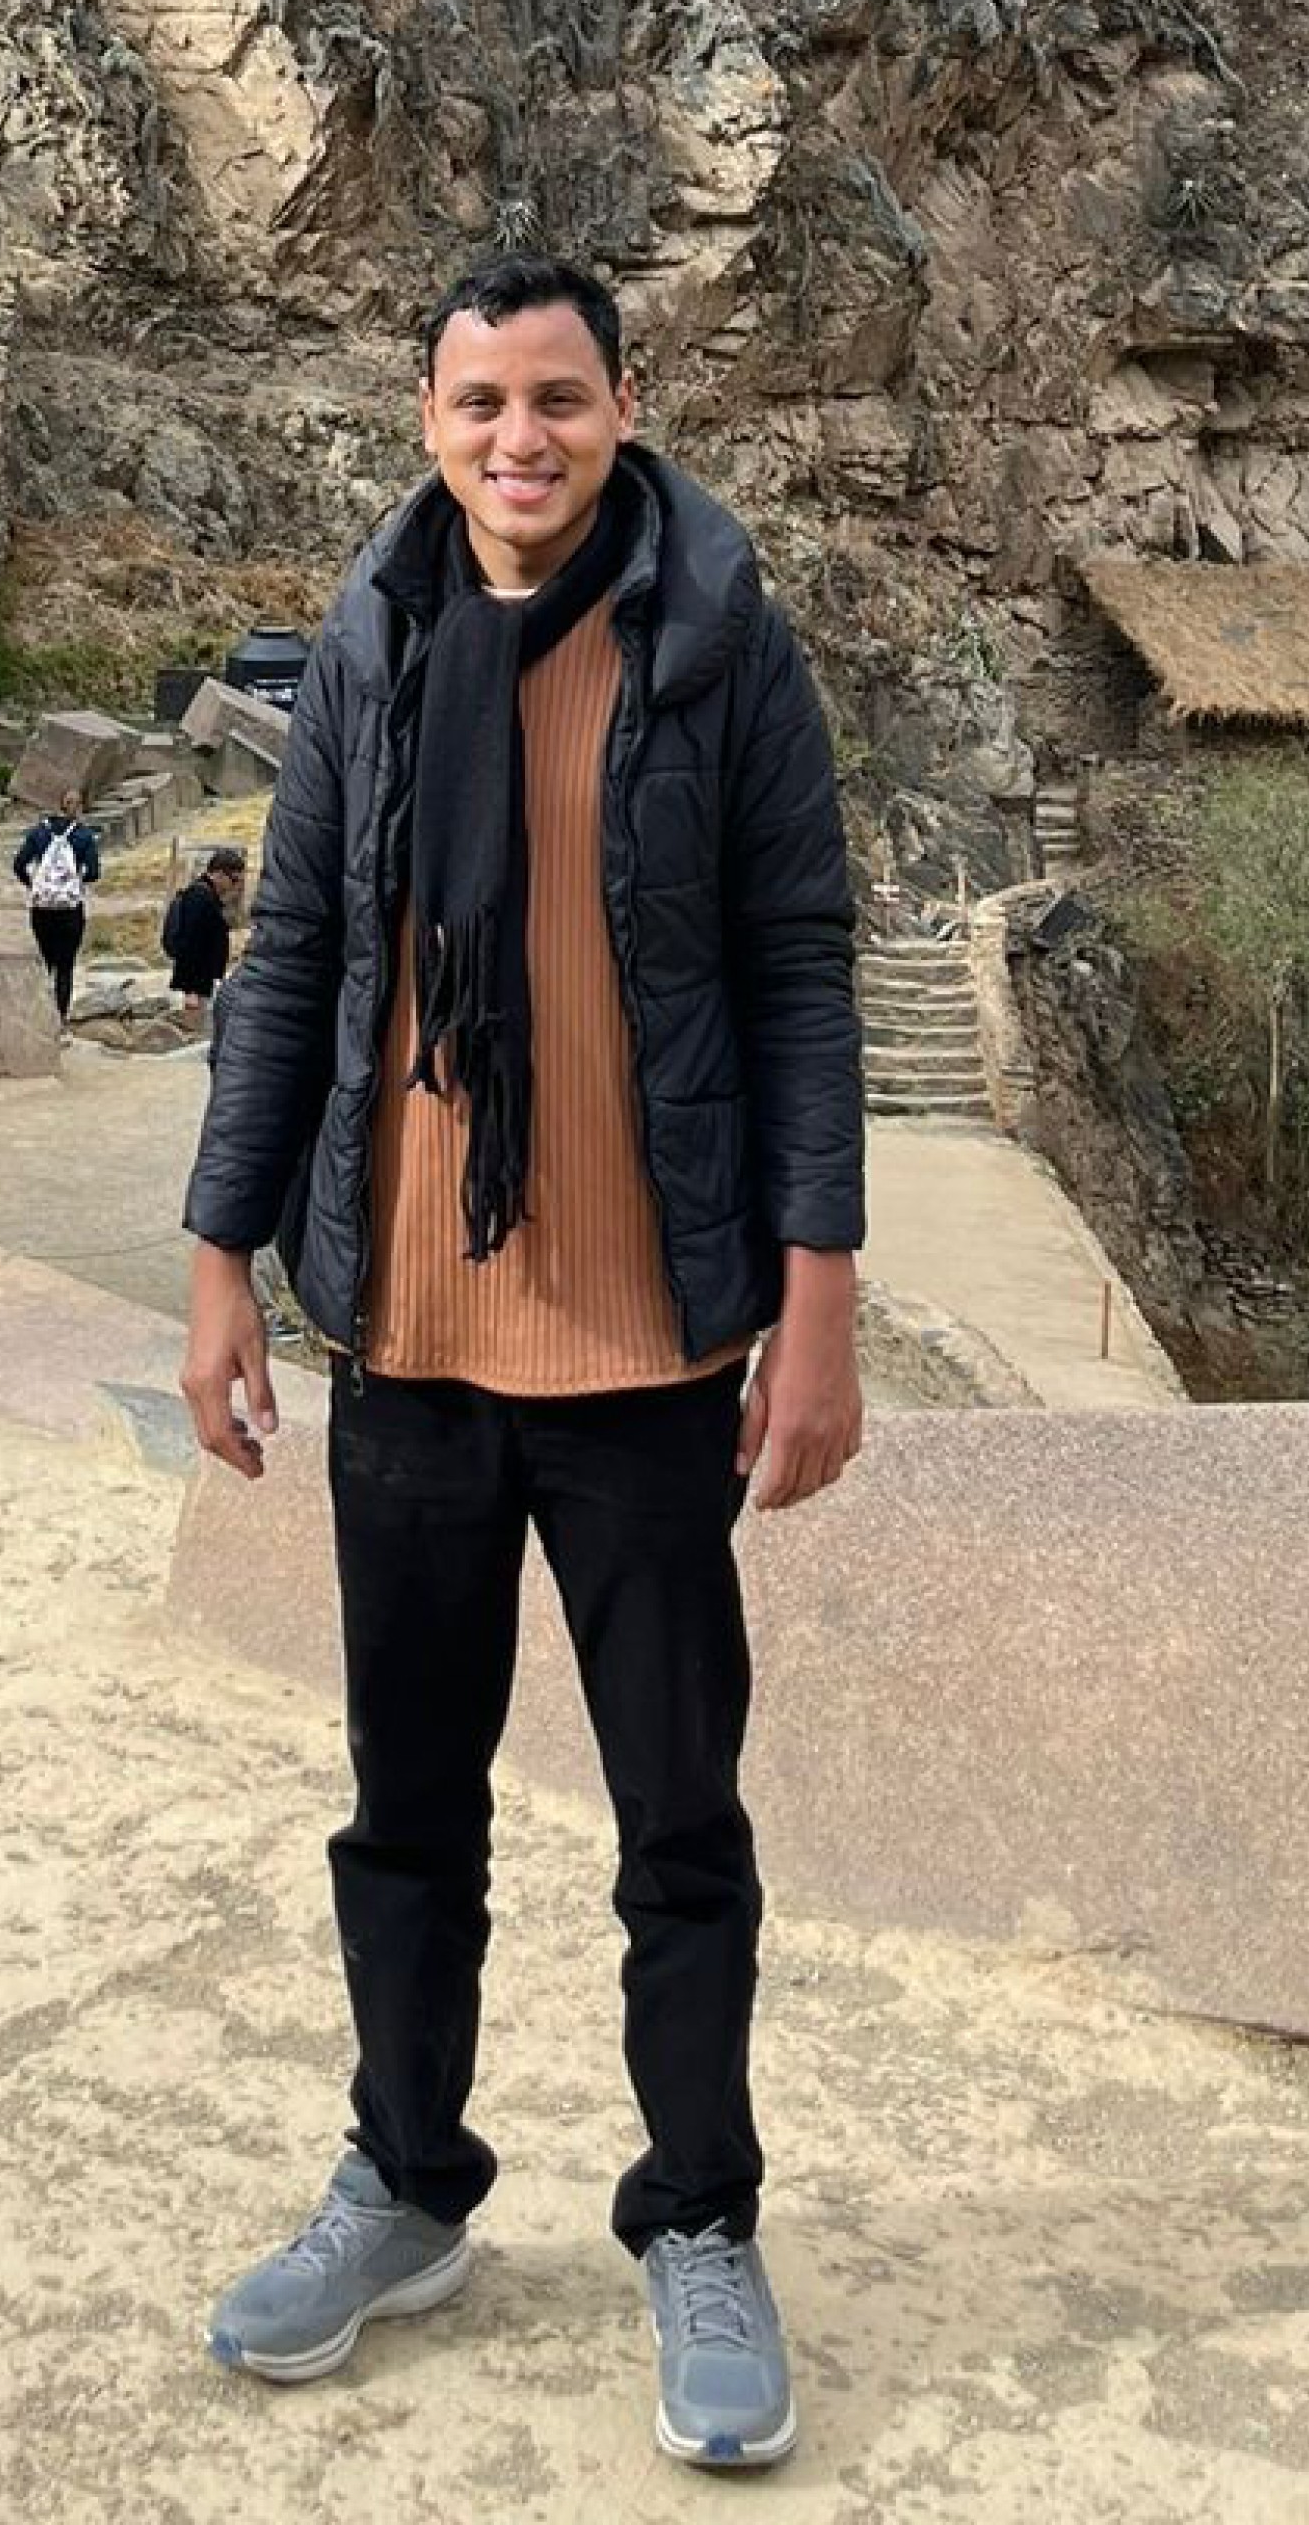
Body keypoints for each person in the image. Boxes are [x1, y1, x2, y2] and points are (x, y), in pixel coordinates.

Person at [178, 253, 865, 2468]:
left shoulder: (722, 638)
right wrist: (217, 1256)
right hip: (414, 1336)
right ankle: (406, 2178)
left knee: (681, 1816)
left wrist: (820, 1297)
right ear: (425, 413)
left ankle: (701, 2215)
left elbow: (798, 964)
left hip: (649, 1344)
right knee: (409, 1811)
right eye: (483, 402)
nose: (522, 440)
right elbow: (295, 952)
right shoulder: (373, 643)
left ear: (623, 402)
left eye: (559, 400)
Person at [10, 803, 101, 1022]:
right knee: (65, 966)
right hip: (70, 908)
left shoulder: (38, 833)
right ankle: (60, 1017)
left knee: (46, 961)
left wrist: (33, 885)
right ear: (77, 807)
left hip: (42, 908)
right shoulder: (83, 835)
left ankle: (40, 1014)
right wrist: (76, 883)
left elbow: (19, 864)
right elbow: (94, 872)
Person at [163, 844, 246, 1008]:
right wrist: (190, 989)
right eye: (234, 879)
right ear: (219, 874)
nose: (235, 885)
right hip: (197, 986)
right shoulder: (199, 897)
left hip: (203, 981)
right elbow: (190, 943)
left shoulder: (207, 896)